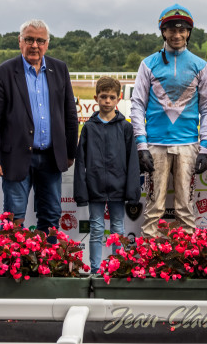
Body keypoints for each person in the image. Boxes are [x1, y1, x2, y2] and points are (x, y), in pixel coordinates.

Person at [0, 19, 78, 235]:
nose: (35, 45)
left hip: (51, 157)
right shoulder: (3, 72)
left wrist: (70, 152)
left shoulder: (60, 69)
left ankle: (47, 266)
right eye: (30, 39)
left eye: (40, 41)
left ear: (47, 43)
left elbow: (70, 114)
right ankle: (13, 267)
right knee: (14, 218)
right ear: (20, 41)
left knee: (51, 216)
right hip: (15, 157)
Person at [131, 4, 207, 236]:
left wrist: (205, 148)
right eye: (171, 30)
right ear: (163, 32)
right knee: (153, 208)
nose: (176, 35)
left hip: (188, 144)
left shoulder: (201, 66)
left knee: (185, 209)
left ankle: (186, 260)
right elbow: (137, 104)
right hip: (156, 144)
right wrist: (141, 145)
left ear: (189, 33)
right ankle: (149, 259)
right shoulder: (148, 63)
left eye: (182, 30)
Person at [73, 76, 140, 272]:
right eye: (103, 97)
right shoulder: (89, 128)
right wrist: (82, 192)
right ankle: (95, 270)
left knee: (118, 230)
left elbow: (132, 162)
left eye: (111, 97)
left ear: (119, 99)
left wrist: (131, 191)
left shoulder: (126, 128)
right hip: (95, 189)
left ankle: (116, 268)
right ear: (96, 98)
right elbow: (81, 162)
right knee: (96, 229)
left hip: (118, 190)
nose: (107, 101)